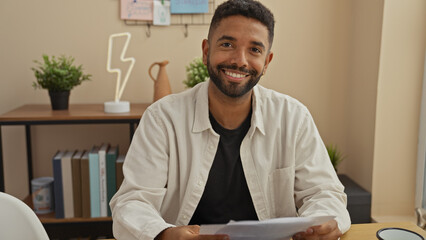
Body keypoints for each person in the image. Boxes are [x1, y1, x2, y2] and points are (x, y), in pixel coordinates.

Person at [110, 0, 351, 239]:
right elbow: (132, 201)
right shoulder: (162, 119)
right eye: (227, 44)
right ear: (206, 51)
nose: (240, 60)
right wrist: (163, 234)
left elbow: (324, 193)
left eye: (255, 50)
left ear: (266, 62)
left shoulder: (293, 117)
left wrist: (323, 225)